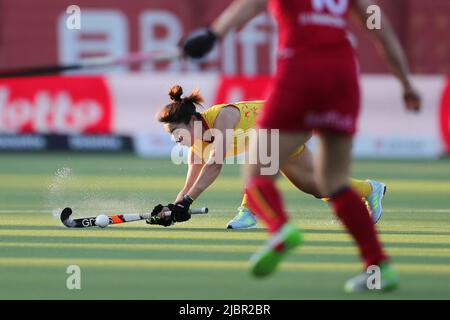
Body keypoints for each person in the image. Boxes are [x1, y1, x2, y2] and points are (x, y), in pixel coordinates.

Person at [180, 0, 421, 292]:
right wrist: (406, 83)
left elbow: (249, 6)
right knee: (333, 184)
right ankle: (378, 268)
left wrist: (213, 34)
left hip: (300, 75)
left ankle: (281, 228)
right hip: (342, 78)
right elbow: (378, 27)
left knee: (258, 166)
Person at [150, 85, 386, 230]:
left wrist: (189, 202)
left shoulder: (222, 117)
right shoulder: (196, 148)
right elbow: (189, 185)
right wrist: (174, 208)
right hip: (279, 138)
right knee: (316, 186)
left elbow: (215, 164)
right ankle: (369, 189)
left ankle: (249, 211)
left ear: (192, 121)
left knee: (260, 147)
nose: (175, 139)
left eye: (175, 132)